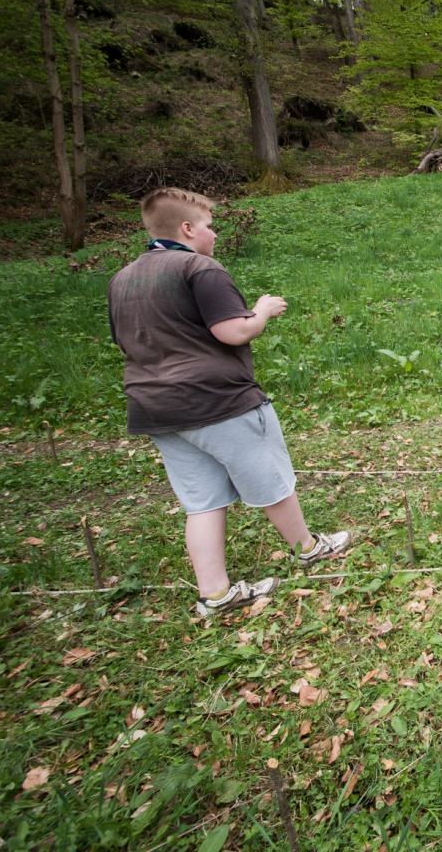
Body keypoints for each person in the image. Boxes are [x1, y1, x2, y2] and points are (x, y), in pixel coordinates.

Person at [107, 188, 353, 618]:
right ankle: (309, 549)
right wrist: (261, 310)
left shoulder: (122, 279)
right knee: (269, 479)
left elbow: (125, 341)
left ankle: (216, 594)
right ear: (187, 229)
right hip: (216, 399)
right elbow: (233, 332)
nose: (214, 233)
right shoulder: (198, 267)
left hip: (155, 407)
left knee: (202, 501)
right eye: (207, 225)